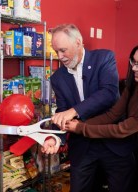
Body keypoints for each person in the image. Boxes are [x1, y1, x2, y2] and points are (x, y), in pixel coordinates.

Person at [41, 24, 137, 192]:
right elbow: (62, 111)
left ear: (78, 42)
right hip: (83, 148)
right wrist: (55, 138)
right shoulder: (57, 78)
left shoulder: (104, 58)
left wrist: (74, 112)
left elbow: (108, 94)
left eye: (63, 50)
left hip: (114, 145)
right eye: (56, 52)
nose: (60, 57)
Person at [63, 45, 138, 139]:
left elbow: (121, 130)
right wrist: (81, 124)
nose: (134, 68)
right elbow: (113, 115)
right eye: (133, 62)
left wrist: (80, 127)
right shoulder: (132, 86)